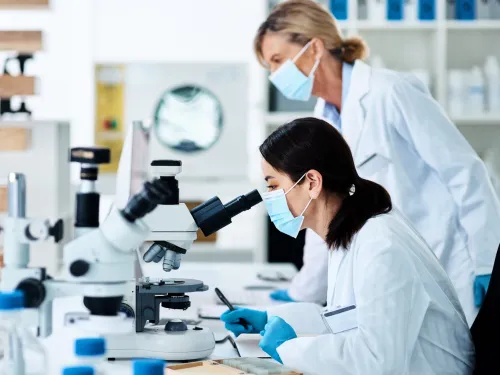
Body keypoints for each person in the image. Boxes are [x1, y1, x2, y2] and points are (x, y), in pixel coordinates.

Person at [256, 0, 500, 324]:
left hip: (445, 258)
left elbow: (464, 171)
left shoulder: (391, 91)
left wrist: (487, 260)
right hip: (388, 270)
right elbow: (321, 211)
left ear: (313, 47)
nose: (275, 76)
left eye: (277, 61)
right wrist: (304, 292)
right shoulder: (322, 118)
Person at [221, 118, 474, 374]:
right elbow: (344, 319)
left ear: (312, 182)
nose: (270, 197)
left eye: (274, 185)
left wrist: (289, 347)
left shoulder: (380, 246)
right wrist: (270, 318)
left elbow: (377, 361)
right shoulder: (351, 233)